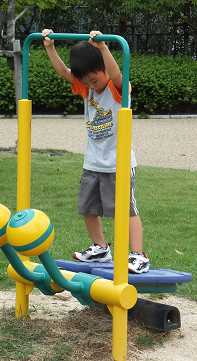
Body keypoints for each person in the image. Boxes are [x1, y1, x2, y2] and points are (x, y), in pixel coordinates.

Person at [41, 29, 149, 274]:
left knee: (126, 210)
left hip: (118, 163)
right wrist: (50, 47)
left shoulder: (117, 88)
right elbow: (65, 73)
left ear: (104, 71)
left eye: (94, 79)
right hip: (93, 161)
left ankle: (138, 254)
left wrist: (103, 48)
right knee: (87, 207)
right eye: (86, 81)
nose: (91, 85)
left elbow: (116, 74)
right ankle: (100, 248)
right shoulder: (86, 88)